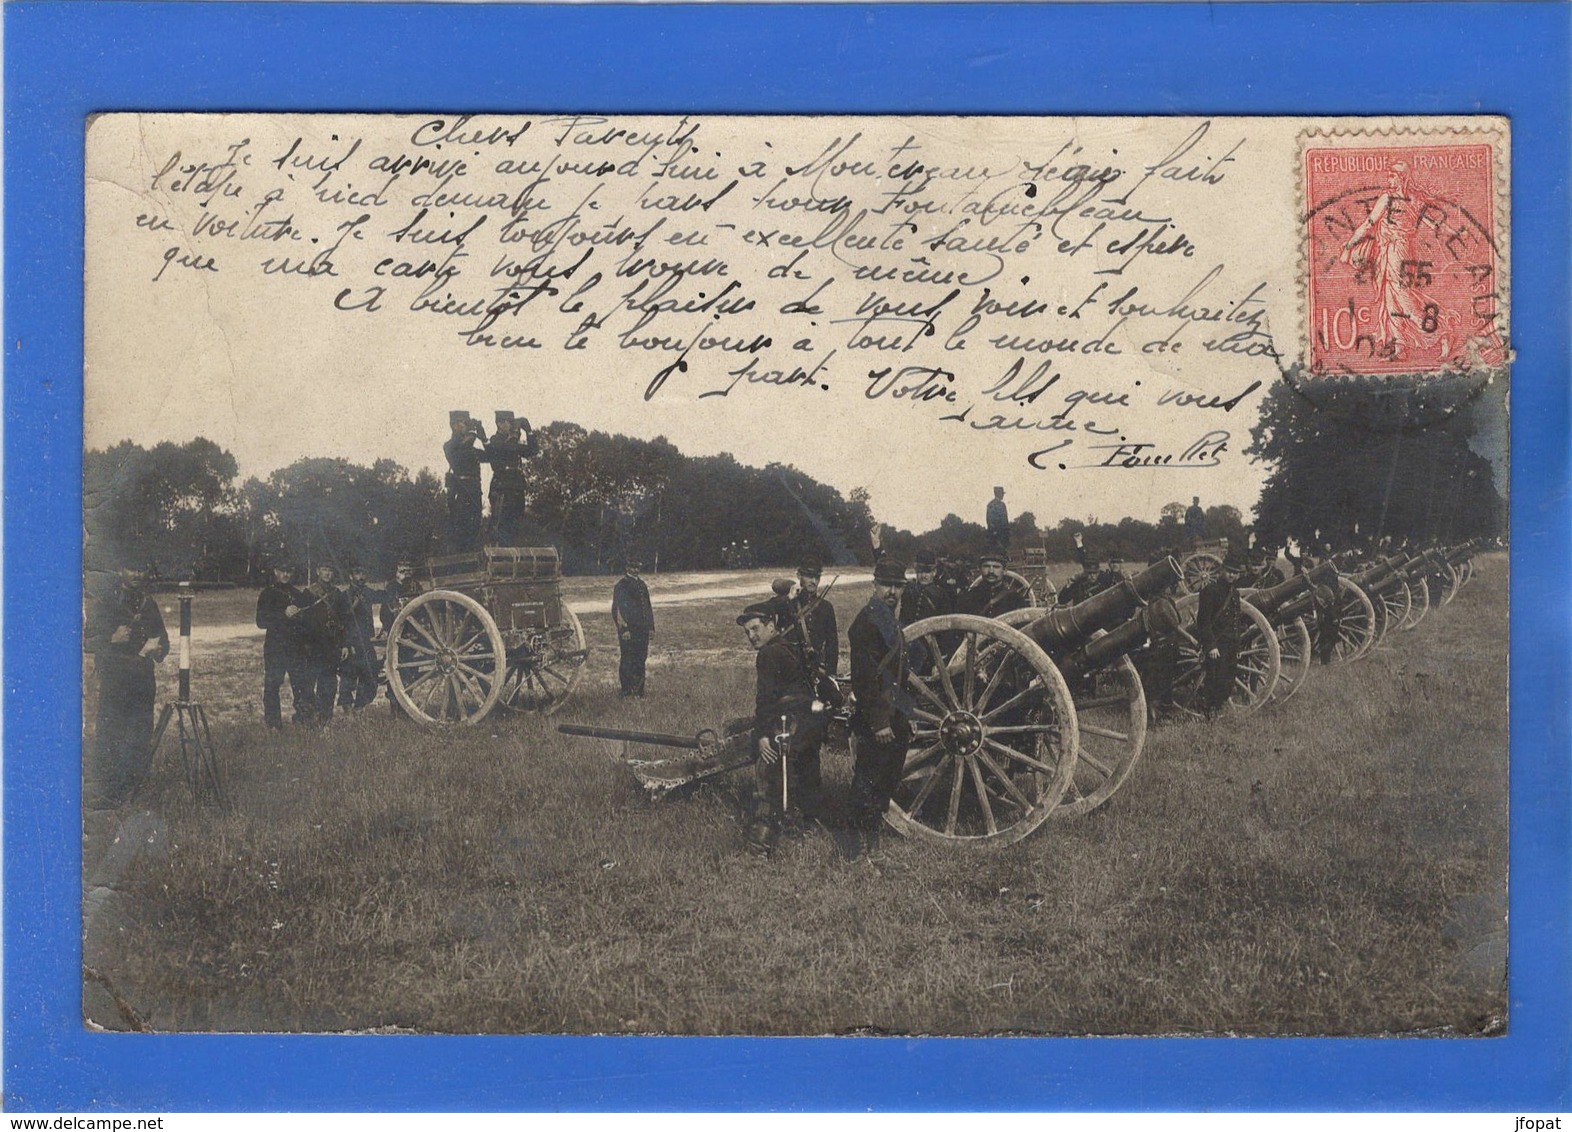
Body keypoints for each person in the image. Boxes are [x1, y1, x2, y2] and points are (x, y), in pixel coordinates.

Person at [735, 600, 823, 856]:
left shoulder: (769, 654)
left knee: (768, 771)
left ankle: (760, 845)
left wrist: (762, 736)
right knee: (804, 775)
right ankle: (802, 827)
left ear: (771, 626)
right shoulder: (791, 648)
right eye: (747, 633)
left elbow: (766, 701)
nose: (751, 637)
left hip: (787, 723)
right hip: (808, 723)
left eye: (755, 629)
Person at [84, 564, 170, 808]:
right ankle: (108, 793)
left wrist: (160, 648)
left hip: (143, 679)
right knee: (112, 734)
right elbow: (84, 640)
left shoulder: (148, 603)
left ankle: (135, 790)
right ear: (119, 570)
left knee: (140, 733)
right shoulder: (105, 603)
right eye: (132, 569)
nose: (137, 575)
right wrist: (111, 638)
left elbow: (164, 639)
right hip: (115, 679)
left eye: (141, 570)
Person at [847, 558, 914, 854]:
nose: (892, 592)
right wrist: (880, 723)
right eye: (886, 585)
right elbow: (863, 681)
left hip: (894, 715)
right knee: (868, 781)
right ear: (874, 586)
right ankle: (856, 849)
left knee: (885, 781)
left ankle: (871, 844)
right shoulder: (865, 624)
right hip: (878, 720)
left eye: (898, 587)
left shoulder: (888, 619)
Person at [255, 561, 311, 728]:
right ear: (275, 571)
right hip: (275, 649)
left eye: (289, 571)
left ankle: (302, 720)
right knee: (272, 686)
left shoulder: (297, 594)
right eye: (282, 570)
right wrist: (283, 614)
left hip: (296, 648)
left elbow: (305, 622)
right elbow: (261, 621)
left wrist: (300, 616)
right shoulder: (267, 594)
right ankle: (274, 725)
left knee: (300, 685)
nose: (286, 574)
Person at [297, 563, 350, 724]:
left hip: (331, 645)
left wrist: (344, 644)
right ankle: (307, 720)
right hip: (313, 646)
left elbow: (343, 621)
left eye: (330, 570)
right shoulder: (308, 593)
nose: (327, 574)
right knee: (308, 685)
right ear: (318, 571)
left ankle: (325, 719)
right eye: (324, 570)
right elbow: (302, 622)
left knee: (329, 685)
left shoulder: (337, 593)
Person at [1194, 552, 1244, 718]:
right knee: (1215, 679)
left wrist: (1237, 647)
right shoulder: (1210, 591)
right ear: (1222, 570)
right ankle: (1208, 710)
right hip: (1217, 643)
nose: (1232, 575)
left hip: (1231, 644)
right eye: (1229, 571)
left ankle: (1218, 707)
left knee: (1228, 679)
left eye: (1235, 573)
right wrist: (1210, 646)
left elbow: (1236, 622)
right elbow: (1204, 621)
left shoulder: (1235, 593)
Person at [486, 411, 539, 547]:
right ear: (499, 424)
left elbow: (532, 451)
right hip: (502, 487)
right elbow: (507, 448)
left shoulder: (512, 441)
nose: (511, 426)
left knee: (516, 524)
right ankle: (501, 555)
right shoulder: (495, 440)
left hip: (516, 487)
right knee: (502, 524)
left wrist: (529, 432)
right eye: (509, 423)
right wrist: (515, 435)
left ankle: (512, 557)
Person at [337, 563, 382, 713]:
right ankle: (348, 710)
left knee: (371, 672)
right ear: (351, 576)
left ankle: (359, 706)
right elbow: (341, 620)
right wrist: (344, 644)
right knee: (348, 676)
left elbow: (382, 595)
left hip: (365, 640)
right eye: (357, 573)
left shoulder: (368, 592)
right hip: (350, 641)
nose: (361, 577)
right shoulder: (344, 596)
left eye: (363, 573)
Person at [443, 411, 490, 552]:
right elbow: (462, 448)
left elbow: (490, 456)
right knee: (460, 527)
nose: (463, 425)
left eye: (465, 422)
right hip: (460, 492)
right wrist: (473, 432)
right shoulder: (449, 445)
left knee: (474, 526)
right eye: (461, 422)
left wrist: (484, 439)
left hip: (474, 491)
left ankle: (469, 559)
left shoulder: (470, 447)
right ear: (453, 425)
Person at [380, 561, 422, 716]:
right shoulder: (391, 588)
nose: (406, 573)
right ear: (396, 573)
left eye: (409, 570)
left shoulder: (416, 586)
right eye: (402, 570)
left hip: (414, 634)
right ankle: (395, 708)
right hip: (397, 634)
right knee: (395, 669)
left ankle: (406, 705)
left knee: (411, 671)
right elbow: (388, 612)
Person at [612, 556, 655, 697]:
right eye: (633, 567)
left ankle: (639, 691)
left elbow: (648, 607)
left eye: (638, 567)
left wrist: (651, 627)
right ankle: (626, 691)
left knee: (640, 659)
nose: (636, 570)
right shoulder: (621, 586)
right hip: (629, 631)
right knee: (627, 659)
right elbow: (617, 609)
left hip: (642, 630)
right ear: (627, 568)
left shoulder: (642, 585)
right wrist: (624, 629)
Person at [962, 550, 1031, 617]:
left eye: (996, 567)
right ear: (980, 569)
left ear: (1004, 570)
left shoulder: (1015, 599)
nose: (991, 571)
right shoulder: (968, 597)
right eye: (986, 566)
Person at [900, 549, 950, 627]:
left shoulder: (941, 595)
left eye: (927, 572)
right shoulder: (908, 590)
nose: (923, 575)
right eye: (920, 571)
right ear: (916, 571)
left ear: (934, 572)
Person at [986, 486, 1010, 553]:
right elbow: (989, 519)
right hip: (996, 533)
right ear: (998, 494)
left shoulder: (1002, 505)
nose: (1003, 495)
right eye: (1002, 494)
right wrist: (994, 531)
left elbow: (1005, 519)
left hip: (1003, 533)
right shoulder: (991, 505)